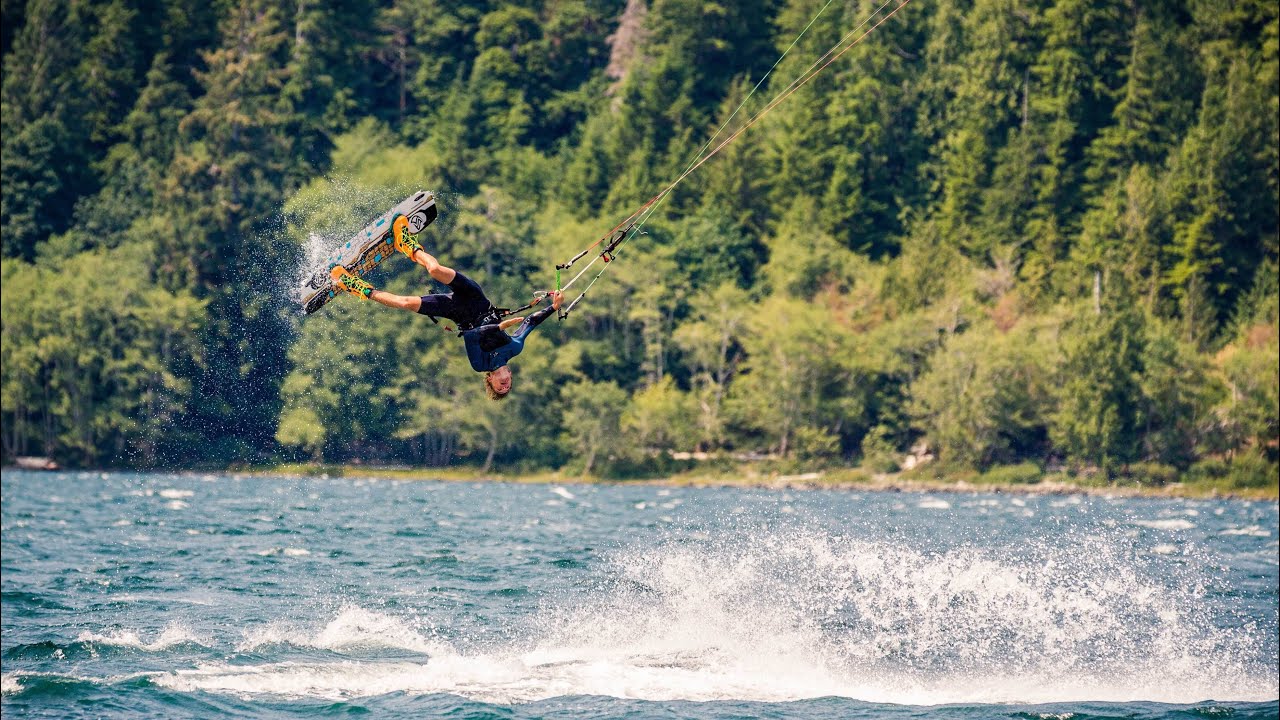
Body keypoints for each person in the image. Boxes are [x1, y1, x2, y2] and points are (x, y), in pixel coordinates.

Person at [329, 214, 562, 400]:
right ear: (510, 375)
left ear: (489, 381)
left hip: (457, 312)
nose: (504, 385)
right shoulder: (515, 348)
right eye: (507, 385)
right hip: (477, 300)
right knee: (435, 271)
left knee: (406, 303)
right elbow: (530, 322)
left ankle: (355, 286)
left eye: (499, 388)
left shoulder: (480, 364)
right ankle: (406, 244)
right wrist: (553, 307)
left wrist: (499, 327)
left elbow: (471, 336)